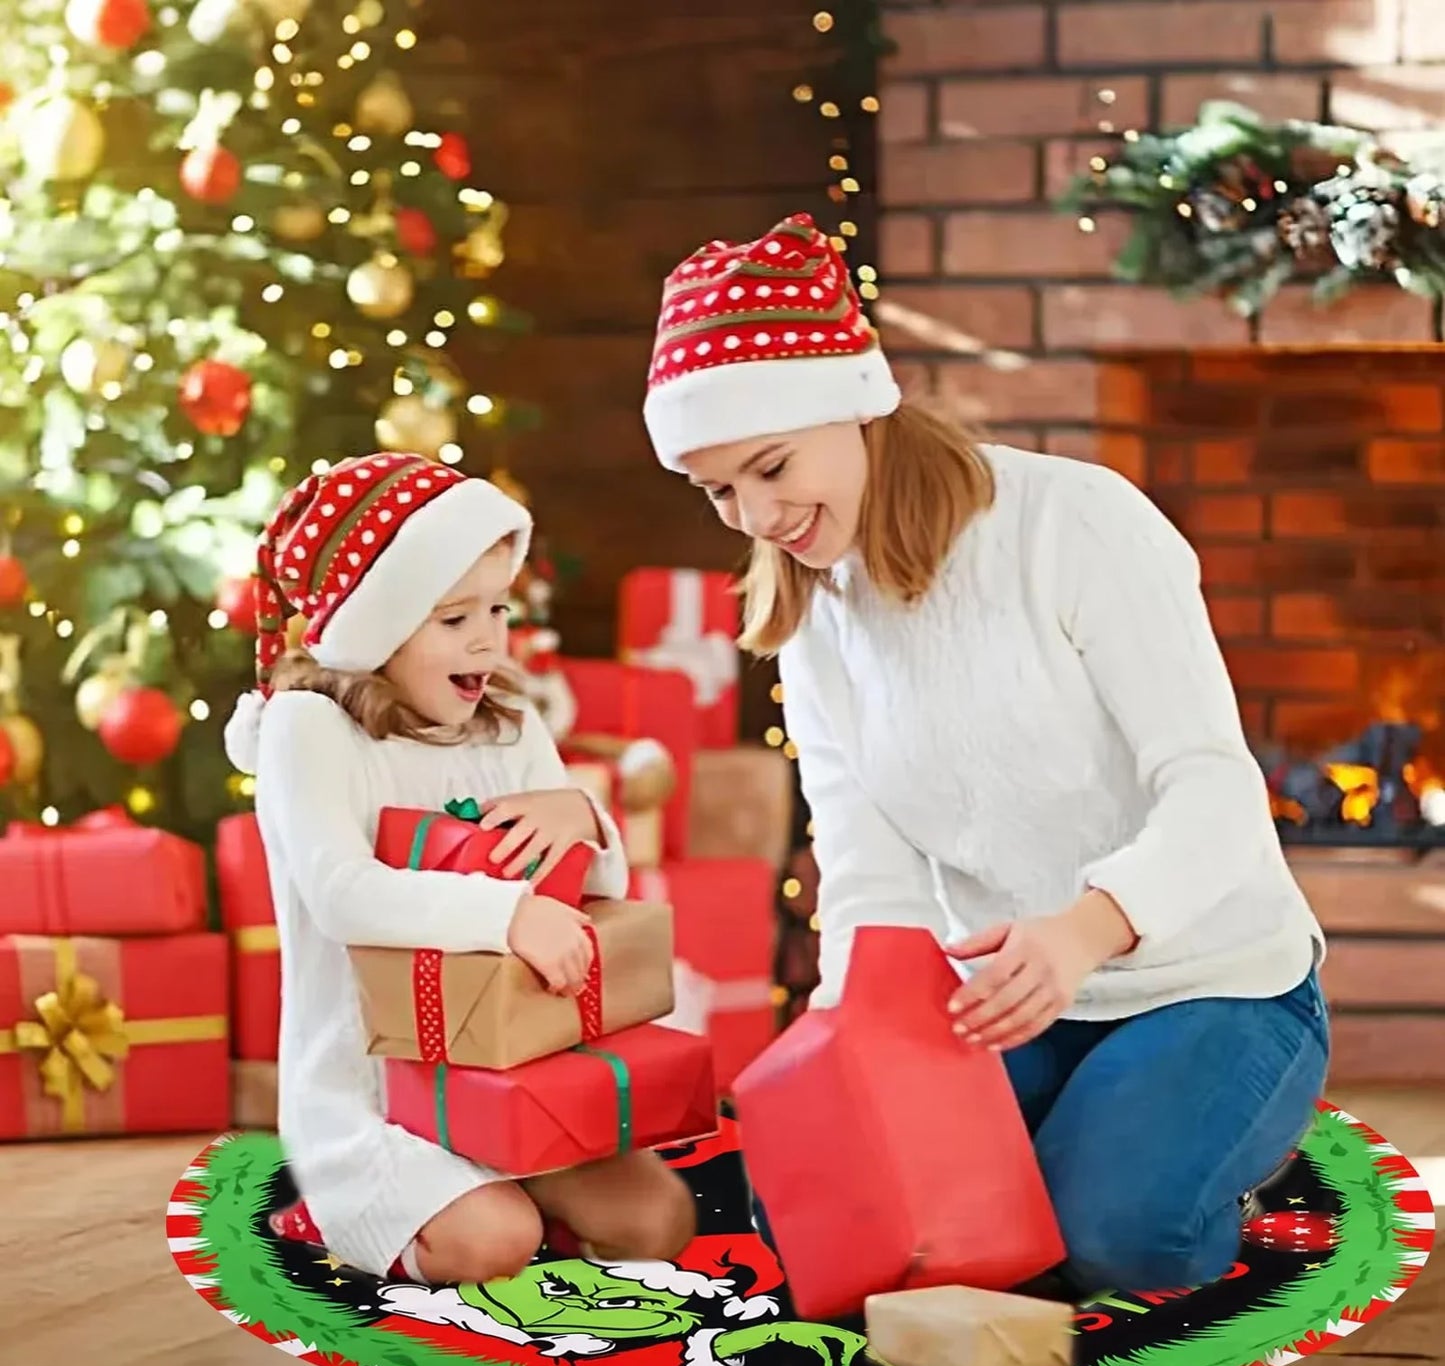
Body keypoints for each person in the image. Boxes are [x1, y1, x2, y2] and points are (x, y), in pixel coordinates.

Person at [640, 214, 1330, 1300]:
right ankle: (1089, 1121)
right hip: (1005, 995)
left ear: (856, 400)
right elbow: (865, 858)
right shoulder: (814, 614)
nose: (758, 516)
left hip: (1209, 981)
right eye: (720, 491)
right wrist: (854, 1052)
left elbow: (1214, 787)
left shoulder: (1075, 523)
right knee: (823, 1200)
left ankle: (1229, 1143)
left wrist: (1081, 929)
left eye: (769, 466)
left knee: (1112, 1236)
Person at [222, 452, 697, 1285]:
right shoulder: (309, 728)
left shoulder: (506, 723)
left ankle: (512, 1176)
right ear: (376, 625)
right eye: (452, 618)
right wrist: (504, 914)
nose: (489, 638)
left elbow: (593, 888)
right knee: (494, 1241)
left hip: (515, 1068)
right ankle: (354, 1211)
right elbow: (342, 895)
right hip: (372, 1096)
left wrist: (581, 817)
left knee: (660, 1220)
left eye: (498, 607)